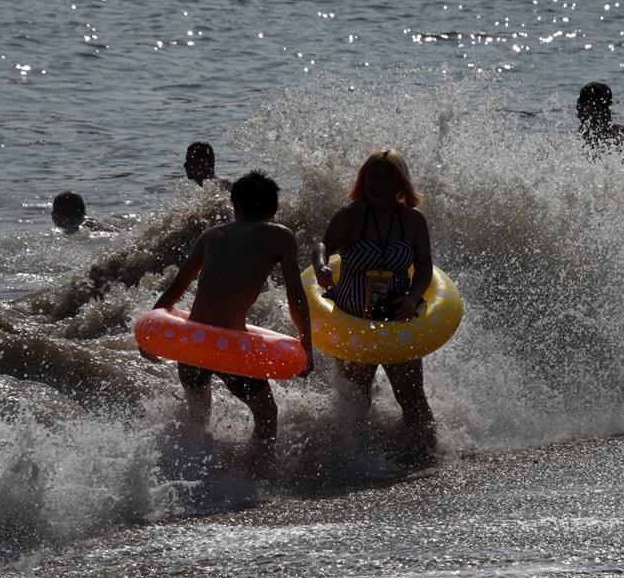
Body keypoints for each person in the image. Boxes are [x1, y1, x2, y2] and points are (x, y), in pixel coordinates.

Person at [147, 170, 314, 460]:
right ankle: (254, 477)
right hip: (230, 346)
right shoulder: (280, 235)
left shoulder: (211, 235)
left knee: (198, 416)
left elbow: (177, 287)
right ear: (274, 209)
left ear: (233, 204)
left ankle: (193, 468)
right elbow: (295, 294)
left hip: (192, 342)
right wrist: (306, 346)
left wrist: (149, 335)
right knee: (266, 414)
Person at [311, 148, 436, 464]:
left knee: (411, 397)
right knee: (357, 400)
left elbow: (423, 267)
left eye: (386, 178)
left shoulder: (412, 220)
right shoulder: (352, 215)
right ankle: (355, 462)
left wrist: (412, 298)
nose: (377, 184)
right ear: (362, 180)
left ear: (401, 183)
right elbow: (322, 245)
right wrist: (320, 266)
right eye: (371, 177)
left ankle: (427, 457)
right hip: (353, 320)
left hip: (397, 319)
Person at [576, 82, 624, 160]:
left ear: (591, 106)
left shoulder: (621, 133)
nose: (577, 108)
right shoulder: (622, 132)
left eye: (579, 103)